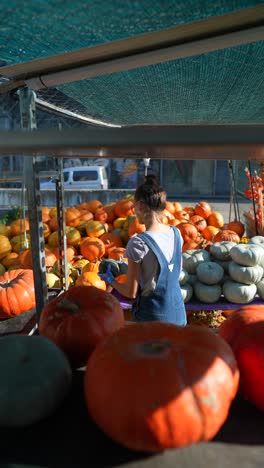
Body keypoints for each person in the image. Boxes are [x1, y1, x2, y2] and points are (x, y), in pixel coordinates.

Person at [99, 174, 187, 326]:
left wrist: (111, 280)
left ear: (140, 206)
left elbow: (130, 292)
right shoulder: (176, 233)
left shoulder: (138, 242)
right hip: (179, 317)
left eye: (134, 207)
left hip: (152, 320)